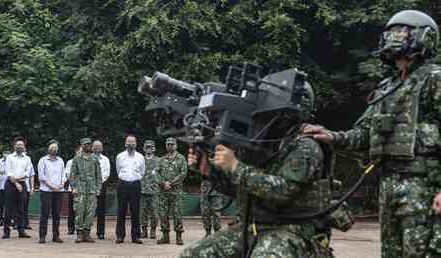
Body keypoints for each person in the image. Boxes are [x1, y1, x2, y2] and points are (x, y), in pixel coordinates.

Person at [302, 10, 441, 258]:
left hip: (425, 187)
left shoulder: (434, 80)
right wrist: (332, 137)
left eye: (402, 32)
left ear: (423, 38)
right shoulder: (387, 88)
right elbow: (364, 134)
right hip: (389, 185)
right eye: (390, 33)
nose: (393, 38)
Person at [179, 72, 338, 258]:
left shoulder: (305, 146)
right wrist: (209, 171)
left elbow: (282, 192)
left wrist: (235, 166)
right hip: (253, 227)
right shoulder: (260, 143)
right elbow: (239, 190)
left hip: (293, 230)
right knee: (191, 255)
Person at [70, 138, 102, 243]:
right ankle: (79, 233)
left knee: (90, 212)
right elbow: (72, 175)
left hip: (92, 190)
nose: (88, 146)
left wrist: (98, 188)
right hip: (80, 190)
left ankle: (87, 233)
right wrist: (73, 187)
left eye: (89, 144)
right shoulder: (76, 159)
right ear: (82, 145)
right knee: (79, 211)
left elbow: (99, 175)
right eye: (85, 144)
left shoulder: (95, 159)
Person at [157, 137, 187, 245]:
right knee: (163, 214)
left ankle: (179, 237)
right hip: (163, 192)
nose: (170, 146)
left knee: (177, 214)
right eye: (168, 144)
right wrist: (163, 183)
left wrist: (171, 183)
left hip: (176, 192)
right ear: (166, 145)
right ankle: (165, 236)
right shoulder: (161, 159)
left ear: (176, 145)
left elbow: (183, 174)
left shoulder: (181, 158)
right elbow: (157, 174)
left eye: (172, 144)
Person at [115, 135, 145, 244]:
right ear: (125, 143)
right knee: (121, 211)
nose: (130, 144)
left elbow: (142, 172)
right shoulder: (120, 156)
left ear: (136, 144)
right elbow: (118, 170)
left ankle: (136, 236)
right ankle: (120, 236)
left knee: (135, 211)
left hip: (136, 186)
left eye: (132, 142)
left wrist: (134, 180)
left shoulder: (141, 157)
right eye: (128, 142)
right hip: (122, 185)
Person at [3, 137, 32, 239]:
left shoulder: (27, 158)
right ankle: (6, 231)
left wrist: (18, 180)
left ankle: (21, 231)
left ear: (24, 147)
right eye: (18, 144)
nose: (20, 146)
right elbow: (8, 173)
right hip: (10, 184)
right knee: (8, 208)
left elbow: (28, 172)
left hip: (22, 183)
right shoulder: (9, 157)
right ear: (14, 146)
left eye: (21, 145)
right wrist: (16, 183)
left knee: (21, 208)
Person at [37, 140, 66, 243]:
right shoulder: (43, 160)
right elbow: (42, 177)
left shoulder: (61, 160)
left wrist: (62, 184)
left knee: (57, 214)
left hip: (59, 191)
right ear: (48, 148)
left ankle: (56, 236)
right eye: (52, 147)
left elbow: (64, 174)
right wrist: (53, 187)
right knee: (44, 214)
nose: (54, 149)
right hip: (46, 191)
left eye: (55, 148)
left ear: (58, 149)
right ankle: (42, 236)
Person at [140, 140, 159, 239]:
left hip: (154, 190)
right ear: (144, 148)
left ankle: (153, 230)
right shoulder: (140, 160)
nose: (149, 149)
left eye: (151, 147)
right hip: (142, 190)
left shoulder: (158, 160)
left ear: (154, 149)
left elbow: (162, 175)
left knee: (154, 212)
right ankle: (144, 230)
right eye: (147, 147)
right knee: (142, 212)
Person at [93, 140, 111, 240]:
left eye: (99, 146)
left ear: (102, 148)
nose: (97, 148)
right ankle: (84, 231)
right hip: (89, 186)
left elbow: (106, 173)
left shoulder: (105, 160)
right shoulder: (88, 158)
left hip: (101, 185)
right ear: (92, 148)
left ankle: (100, 232)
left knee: (101, 210)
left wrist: (98, 182)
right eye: (95, 146)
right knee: (87, 209)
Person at [64, 145, 81, 235]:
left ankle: (81, 228)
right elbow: (68, 175)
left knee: (82, 210)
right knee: (72, 210)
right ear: (76, 152)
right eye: (79, 151)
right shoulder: (70, 162)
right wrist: (74, 187)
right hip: (73, 189)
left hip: (84, 190)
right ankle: (71, 228)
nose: (80, 153)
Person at [0, 151, 9, 227]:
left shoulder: (11, 161)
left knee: (9, 204)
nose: (5, 154)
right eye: (4, 153)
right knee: (0, 203)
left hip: (9, 186)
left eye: (7, 153)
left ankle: (9, 220)